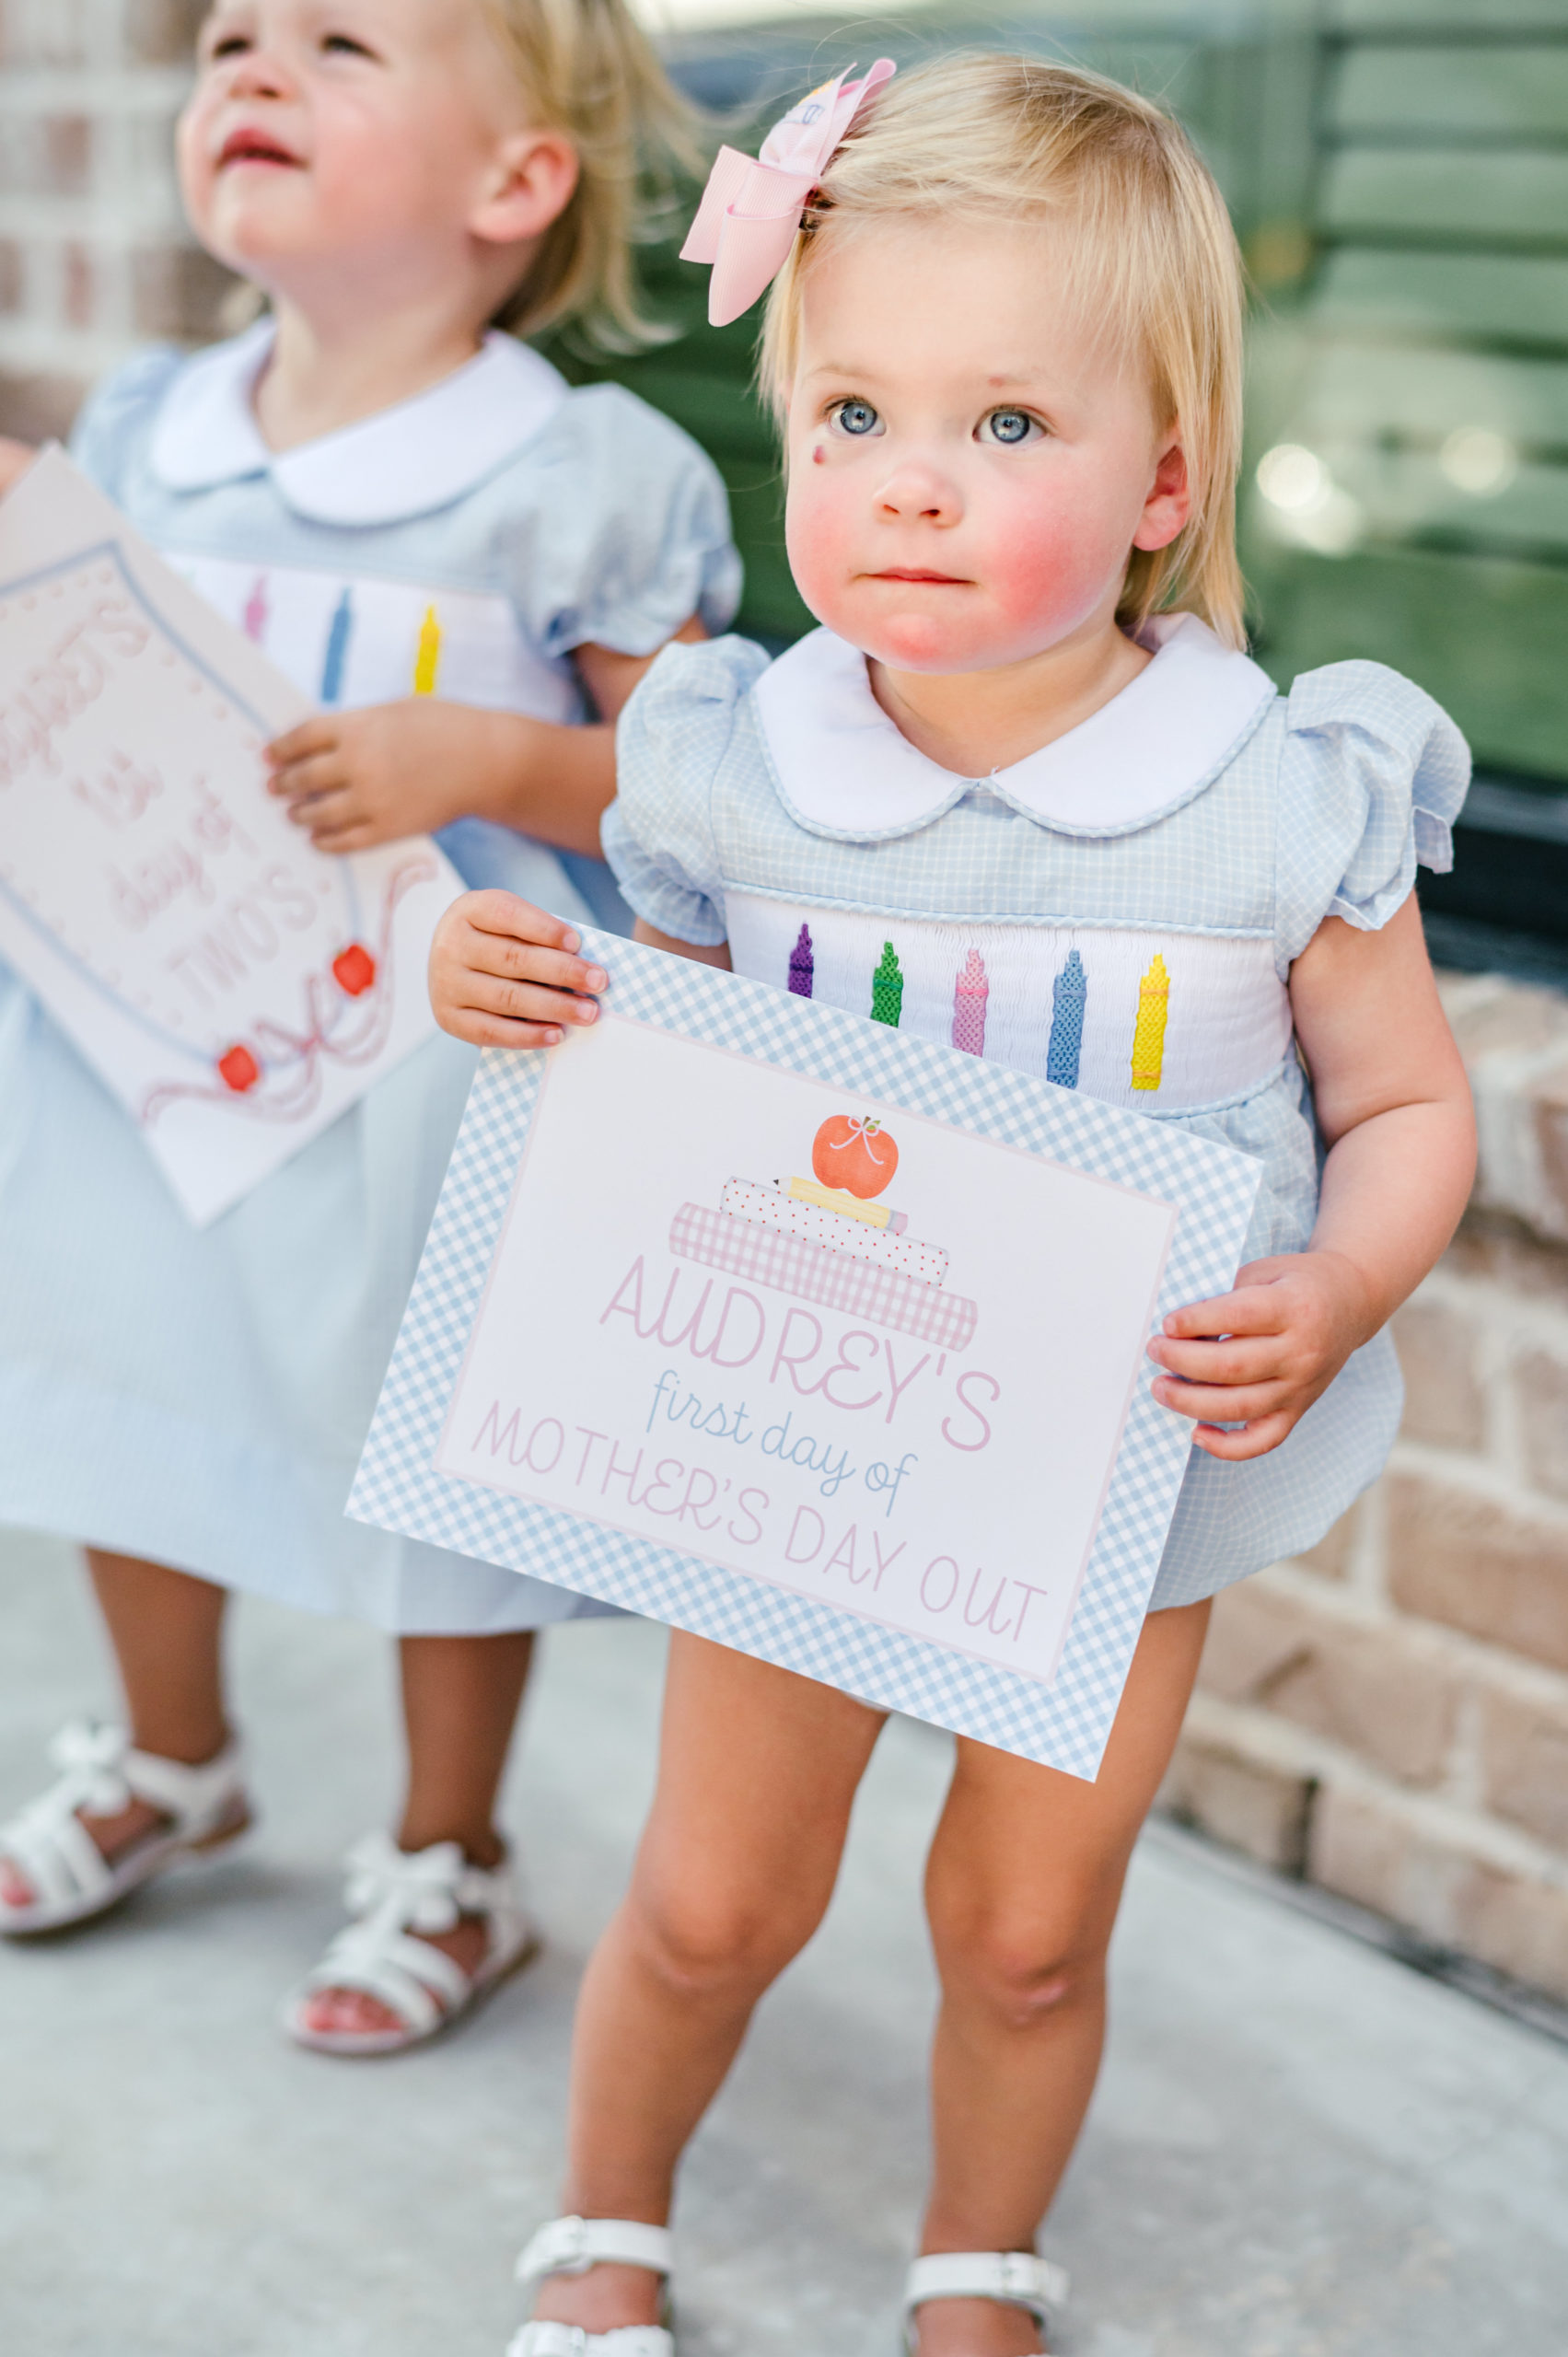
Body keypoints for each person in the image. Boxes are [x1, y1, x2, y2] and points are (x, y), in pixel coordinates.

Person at [451, 50, 1481, 2355]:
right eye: (854, 419)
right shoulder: (741, 761)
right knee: (718, 1897)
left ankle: (973, 2263)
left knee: (1029, 1922)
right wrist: (524, 981)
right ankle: (604, 2227)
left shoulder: (1269, 792)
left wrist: (1333, 1279)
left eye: (1007, 427)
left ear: (1165, 477)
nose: (914, 488)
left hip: (1119, 1465)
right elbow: (668, 1060)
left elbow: (1412, 1106)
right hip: (805, 1439)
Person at [0, 0, 739, 2061]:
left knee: (439, 1465)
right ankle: (172, 1751)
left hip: (441, 1069)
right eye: (232, 34)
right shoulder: (150, 426)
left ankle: (449, 1849)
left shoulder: (581, 477)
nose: (251, 68)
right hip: (149, 1025)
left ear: (515, 184)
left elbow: (697, 791)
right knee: (126, 1373)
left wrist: (497, 752)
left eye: (338, 44)